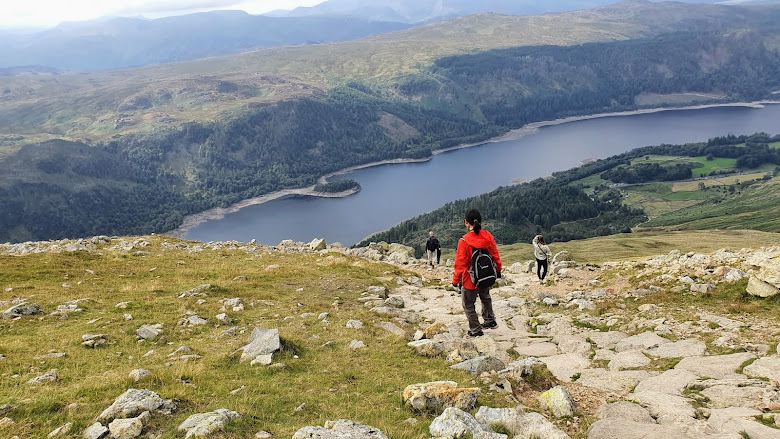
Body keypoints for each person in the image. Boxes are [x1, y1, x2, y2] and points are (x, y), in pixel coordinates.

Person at [452, 209, 502, 337]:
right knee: (485, 297)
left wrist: (456, 280)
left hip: (470, 278)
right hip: (486, 275)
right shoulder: (488, 236)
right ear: (480, 221)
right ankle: (490, 320)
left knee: (468, 304)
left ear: (466, 222)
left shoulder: (464, 241)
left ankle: (475, 329)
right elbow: (495, 255)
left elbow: (460, 263)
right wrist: (498, 270)